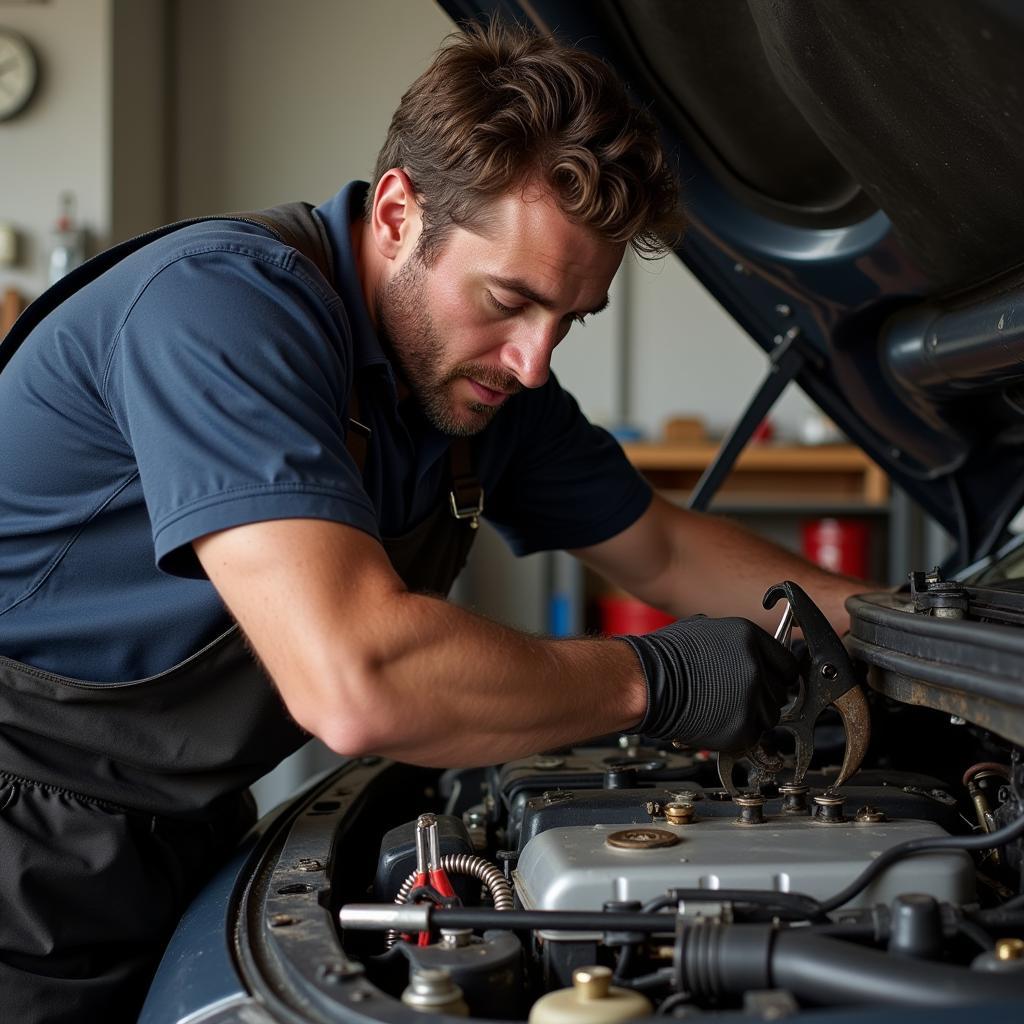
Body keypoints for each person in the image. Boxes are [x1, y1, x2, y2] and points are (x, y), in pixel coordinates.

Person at [0, 19, 864, 1023]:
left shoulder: (480, 388)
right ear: (401, 212)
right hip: (20, 848)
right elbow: (358, 680)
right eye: (509, 300)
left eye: (569, 321)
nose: (534, 361)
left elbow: (662, 546)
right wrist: (656, 678)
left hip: (177, 835)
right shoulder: (221, 310)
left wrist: (889, 622)